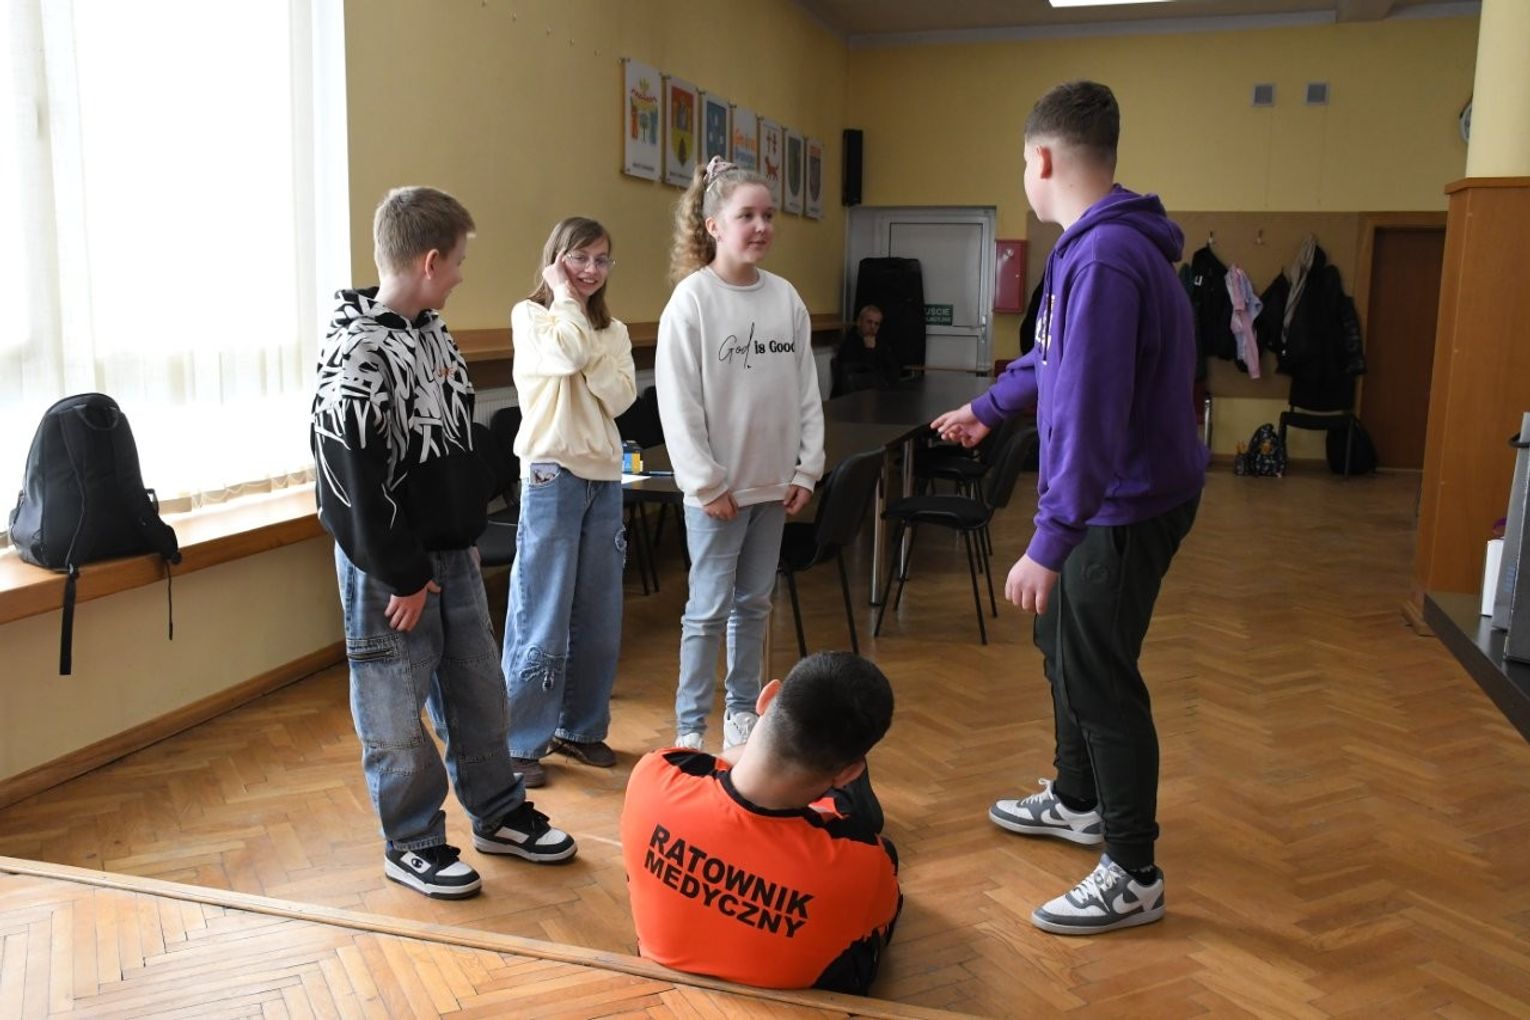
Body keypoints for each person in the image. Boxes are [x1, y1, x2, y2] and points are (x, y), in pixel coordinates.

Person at [932, 81, 1207, 935]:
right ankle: (1079, 798)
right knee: (1060, 645)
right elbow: (1055, 362)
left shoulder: (1105, 258)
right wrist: (990, 406)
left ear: (1042, 159)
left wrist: (1049, 541)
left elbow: (1088, 410)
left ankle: (1133, 870)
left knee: (1099, 675)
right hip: (1111, 498)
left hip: (1120, 507)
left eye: (1024, 162)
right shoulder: (1098, 248)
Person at [311, 186, 577, 901]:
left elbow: (452, 442)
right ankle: (414, 841)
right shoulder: (356, 352)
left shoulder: (431, 330)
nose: (461, 275)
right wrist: (402, 574)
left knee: (478, 690)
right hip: (389, 567)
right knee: (395, 709)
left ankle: (498, 811)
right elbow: (346, 484)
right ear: (430, 261)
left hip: (449, 554)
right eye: (457, 261)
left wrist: (464, 523)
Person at [655, 155, 825, 752]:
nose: (761, 226)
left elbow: (806, 392)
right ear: (714, 225)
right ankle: (689, 727)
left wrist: (806, 468)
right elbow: (679, 403)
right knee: (706, 610)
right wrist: (705, 483)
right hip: (718, 495)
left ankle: (741, 713)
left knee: (753, 605)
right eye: (746, 215)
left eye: (768, 216)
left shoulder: (786, 298)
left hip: (772, 487)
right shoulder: (692, 301)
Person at [620, 651, 901, 994]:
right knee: (880, 851)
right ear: (849, 773)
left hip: (665, 982)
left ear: (766, 697)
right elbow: (879, 918)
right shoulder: (864, 862)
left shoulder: (655, 774)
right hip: (795, 999)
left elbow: (715, 762)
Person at [502, 217, 636, 788]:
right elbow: (563, 354)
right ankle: (518, 740)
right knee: (543, 611)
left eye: (601, 259)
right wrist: (564, 302)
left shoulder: (615, 330)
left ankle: (579, 728)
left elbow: (621, 396)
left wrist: (587, 357)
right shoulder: (531, 315)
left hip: (603, 476)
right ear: (556, 260)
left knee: (599, 612)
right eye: (579, 257)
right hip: (551, 473)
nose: (590, 269)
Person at [832, 303, 899, 394]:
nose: (872, 327)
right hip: (852, 397)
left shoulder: (881, 343)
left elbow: (893, 371)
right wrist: (869, 351)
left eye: (876, 324)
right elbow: (861, 373)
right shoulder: (849, 342)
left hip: (876, 393)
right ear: (859, 322)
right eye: (869, 322)